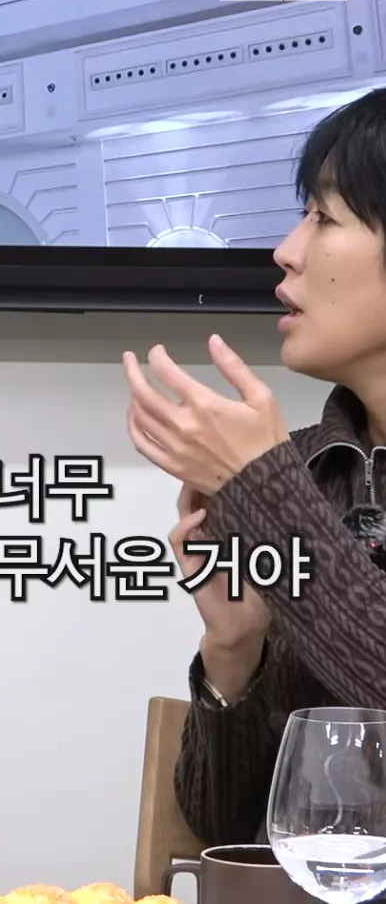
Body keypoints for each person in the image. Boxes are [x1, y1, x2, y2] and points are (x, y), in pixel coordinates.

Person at [121, 87, 386, 847]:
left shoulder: (277, 483)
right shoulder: (302, 469)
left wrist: (271, 495)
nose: (287, 250)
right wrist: (234, 652)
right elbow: (229, 833)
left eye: (324, 218)